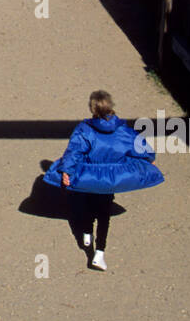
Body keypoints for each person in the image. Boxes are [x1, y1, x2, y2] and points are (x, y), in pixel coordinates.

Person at [44, 90, 163, 271]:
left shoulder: (84, 130)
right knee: (104, 214)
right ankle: (99, 252)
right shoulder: (124, 131)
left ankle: (86, 233)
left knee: (87, 204)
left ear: (92, 108)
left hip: (90, 176)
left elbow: (74, 152)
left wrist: (66, 171)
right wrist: (149, 159)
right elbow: (140, 147)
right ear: (111, 106)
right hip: (112, 178)